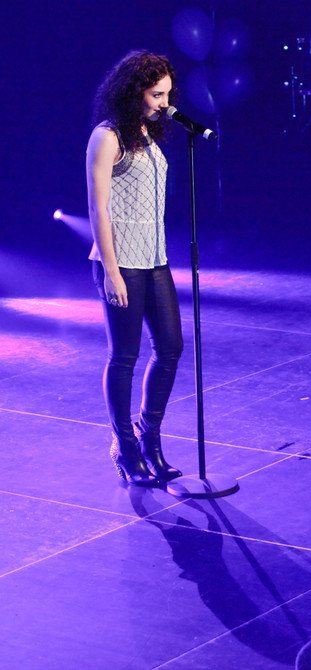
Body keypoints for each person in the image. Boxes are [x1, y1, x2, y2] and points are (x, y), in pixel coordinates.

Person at [87, 50, 184, 486]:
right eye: (156, 94)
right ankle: (125, 447)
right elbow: (99, 208)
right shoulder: (108, 136)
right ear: (134, 91)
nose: (164, 102)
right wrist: (111, 272)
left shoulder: (147, 133)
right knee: (124, 357)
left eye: (167, 94)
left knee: (171, 347)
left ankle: (149, 436)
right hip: (120, 261)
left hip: (155, 258)